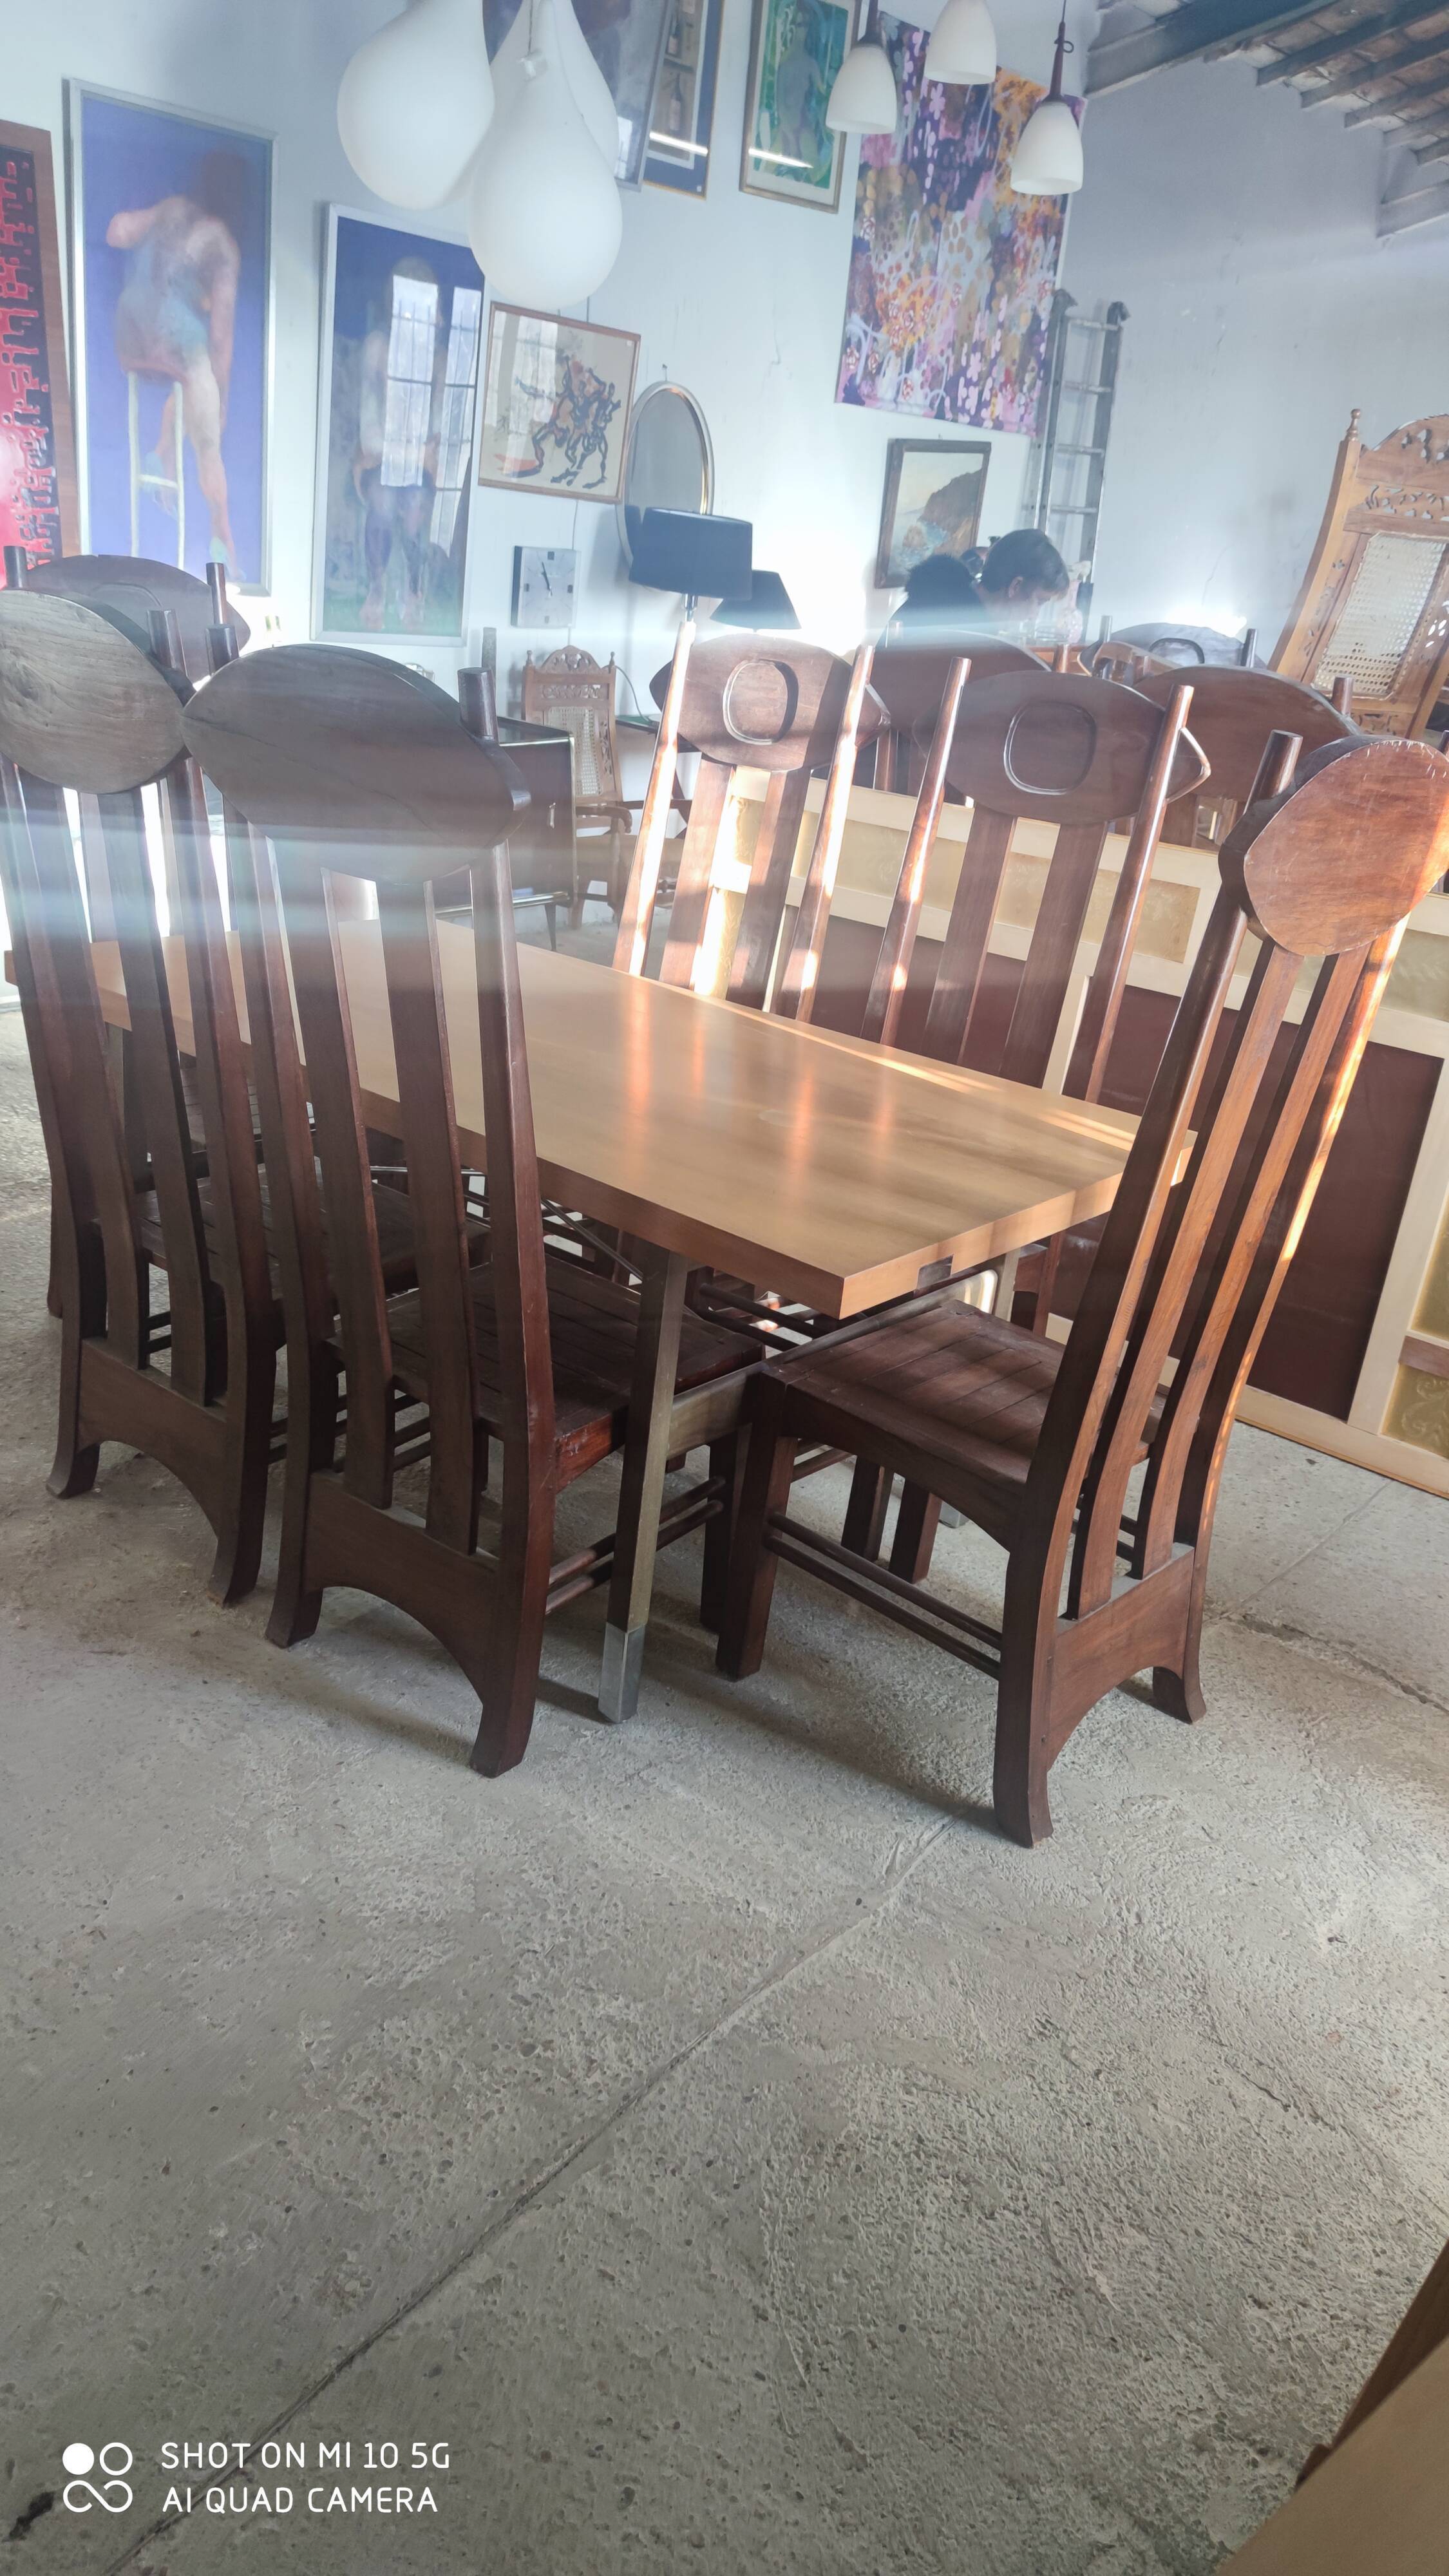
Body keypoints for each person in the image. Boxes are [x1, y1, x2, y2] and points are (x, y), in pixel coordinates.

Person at [108, 151, 245, 576]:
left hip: (130, 327)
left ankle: (161, 451)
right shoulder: (223, 246)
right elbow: (221, 336)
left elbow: (118, 231)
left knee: (187, 381)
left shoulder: (173, 209)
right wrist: (222, 399)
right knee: (206, 422)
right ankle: (222, 533)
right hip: (173, 336)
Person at [889, 530, 1072, 643]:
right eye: (1039, 602)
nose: (1034, 616)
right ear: (1016, 586)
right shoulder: (964, 633)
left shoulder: (946, 599)